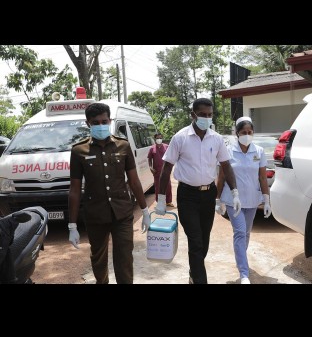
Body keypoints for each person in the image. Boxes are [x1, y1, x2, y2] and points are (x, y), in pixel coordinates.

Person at [155, 98, 241, 284]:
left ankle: (194, 274)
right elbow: (166, 170)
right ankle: (200, 280)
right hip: (187, 195)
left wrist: (235, 192)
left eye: (210, 115)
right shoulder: (180, 138)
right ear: (193, 114)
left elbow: (226, 167)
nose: (206, 118)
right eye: (202, 114)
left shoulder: (217, 139)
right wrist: (161, 199)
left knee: (204, 240)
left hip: (208, 195)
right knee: (195, 241)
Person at [68, 102, 150, 284]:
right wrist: (72, 225)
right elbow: (74, 189)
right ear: (88, 123)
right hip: (95, 214)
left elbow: (134, 181)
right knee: (98, 258)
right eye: (95, 122)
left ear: (110, 120)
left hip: (122, 212)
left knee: (124, 257)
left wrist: (145, 211)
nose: (100, 125)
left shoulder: (123, 146)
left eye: (104, 121)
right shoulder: (78, 150)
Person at [216, 116, 271, 284]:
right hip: (233, 200)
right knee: (239, 232)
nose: (247, 135)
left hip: (252, 200)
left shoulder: (259, 151)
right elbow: (222, 176)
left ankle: (241, 258)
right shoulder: (228, 151)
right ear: (236, 133)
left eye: (250, 132)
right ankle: (244, 273)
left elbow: (262, 177)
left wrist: (266, 199)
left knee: (246, 233)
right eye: (243, 132)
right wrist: (217, 199)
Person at [147, 133, 174, 207]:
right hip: (157, 171)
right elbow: (149, 159)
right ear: (155, 139)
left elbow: (171, 156)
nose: (159, 139)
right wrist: (150, 167)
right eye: (157, 138)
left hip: (165, 170)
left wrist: (170, 167)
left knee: (168, 186)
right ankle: (159, 202)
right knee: (158, 187)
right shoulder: (152, 148)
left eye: (160, 138)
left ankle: (168, 201)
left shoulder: (166, 147)